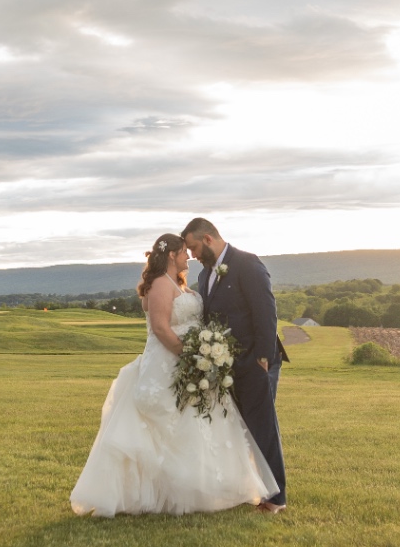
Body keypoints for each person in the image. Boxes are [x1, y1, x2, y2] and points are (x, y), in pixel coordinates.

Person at [69, 233, 279, 516]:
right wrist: (190, 356)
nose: (189, 257)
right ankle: (173, 491)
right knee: (174, 422)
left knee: (205, 421)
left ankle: (214, 487)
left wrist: (203, 355)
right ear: (171, 255)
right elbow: (160, 328)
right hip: (171, 363)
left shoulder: (179, 283)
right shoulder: (158, 284)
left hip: (192, 363)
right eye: (184, 252)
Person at [180, 217, 287, 513]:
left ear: (209, 239)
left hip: (257, 360)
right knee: (238, 428)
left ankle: (277, 498)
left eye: (193, 247)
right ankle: (251, 486)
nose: (192, 255)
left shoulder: (248, 264)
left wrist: (264, 356)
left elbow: (266, 311)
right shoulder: (204, 277)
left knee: (261, 426)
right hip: (225, 363)